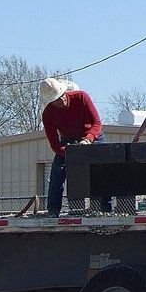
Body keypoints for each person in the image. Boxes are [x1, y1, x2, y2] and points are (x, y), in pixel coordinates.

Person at [39, 77, 109, 217]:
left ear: (64, 92)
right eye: (56, 100)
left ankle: (106, 209)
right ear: (50, 102)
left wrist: (88, 140)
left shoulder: (81, 97)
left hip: (93, 138)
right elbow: (55, 145)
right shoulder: (48, 114)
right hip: (69, 143)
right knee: (57, 172)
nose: (61, 101)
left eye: (61, 96)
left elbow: (97, 123)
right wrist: (71, 152)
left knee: (104, 171)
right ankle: (53, 211)